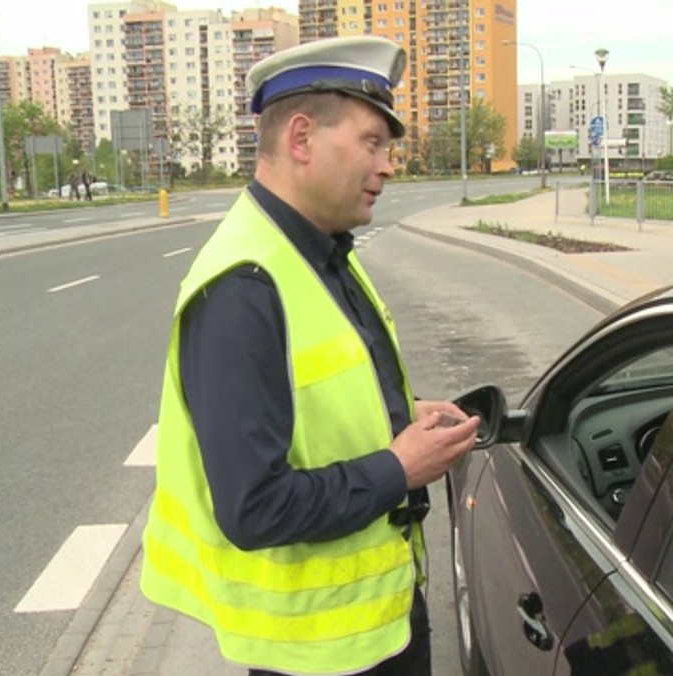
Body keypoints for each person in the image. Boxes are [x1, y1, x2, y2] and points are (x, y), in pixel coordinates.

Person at [140, 36, 480, 676]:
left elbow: (320, 400)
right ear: (302, 139)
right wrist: (397, 467)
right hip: (318, 656)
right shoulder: (244, 286)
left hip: (377, 627)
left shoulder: (321, 250)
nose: (388, 166)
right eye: (373, 143)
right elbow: (253, 506)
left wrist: (400, 418)